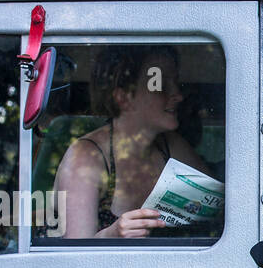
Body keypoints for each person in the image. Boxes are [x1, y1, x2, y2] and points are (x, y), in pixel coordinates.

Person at [55, 45, 213, 238]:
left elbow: (219, 207)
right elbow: (74, 257)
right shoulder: (85, 157)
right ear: (123, 97)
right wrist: (111, 236)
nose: (177, 95)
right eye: (160, 84)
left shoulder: (169, 145)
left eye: (175, 82)